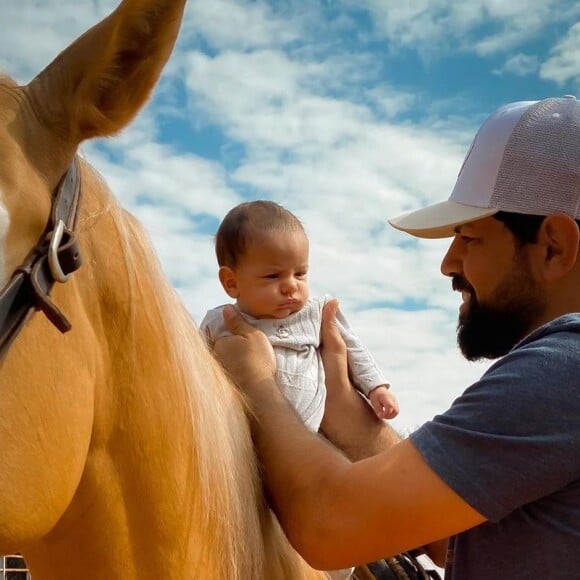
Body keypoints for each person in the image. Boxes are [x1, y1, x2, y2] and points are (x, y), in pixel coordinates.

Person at [213, 95, 580, 579]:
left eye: (468, 237)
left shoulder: (563, 371)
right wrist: (350, 418)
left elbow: (332, 526)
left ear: (554, 246)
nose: (448, 263)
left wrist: (255, 381)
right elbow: (460, 537)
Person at [201, 200, 399, 432]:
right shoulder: (219, 322)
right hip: (243, 438)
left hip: (316, 436)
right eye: (273, 276)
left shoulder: (317, 314)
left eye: (300, 273)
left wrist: (376, 388)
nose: (290, 286)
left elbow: (354, 350)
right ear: (231, 283)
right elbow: (193, 367)